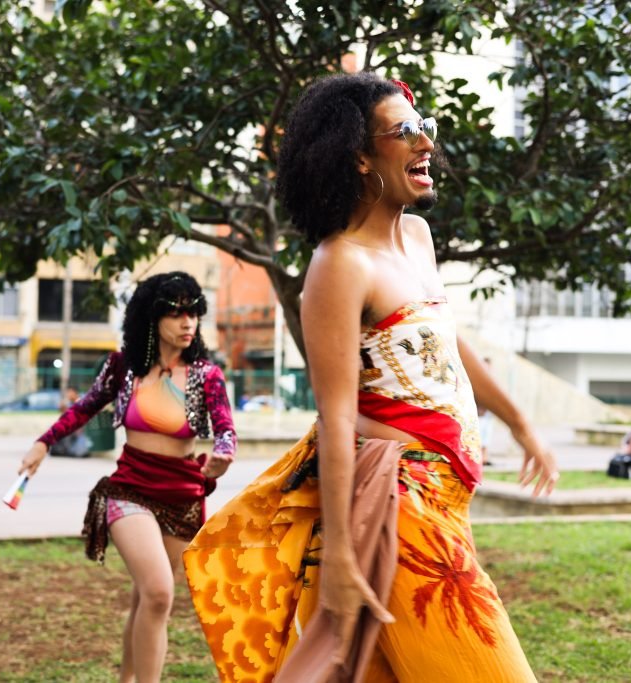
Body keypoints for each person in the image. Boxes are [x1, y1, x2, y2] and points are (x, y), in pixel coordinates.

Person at [184, 73, 559, 682]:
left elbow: (446, 342)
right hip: (399, 506)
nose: (426, 144)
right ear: (359, 157)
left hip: (446, 502)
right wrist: (339, 561)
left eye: (424, 128)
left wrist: (521, 424)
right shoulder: (338, 266)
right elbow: (334, 416)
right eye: (404, 131)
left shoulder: (418, 237)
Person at [17, 271, 236, 683]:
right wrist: (43, 443)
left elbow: (225, 430)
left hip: (181, 495)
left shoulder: (207, 375)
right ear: (151, 318)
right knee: (158, 593)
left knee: (144, 601)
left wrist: (223, 455)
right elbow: (83, 407)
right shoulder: (124, 367)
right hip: (130, 489)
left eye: (193, 312)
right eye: (176, 313)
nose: (187, 322)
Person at [477, 357, 497, 466]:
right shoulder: (477, 381)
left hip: (488, 414)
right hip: (479, 414)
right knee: (479, 437)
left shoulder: (492, 381)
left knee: (486, 437)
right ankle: (479, 458)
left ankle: (484, 458)